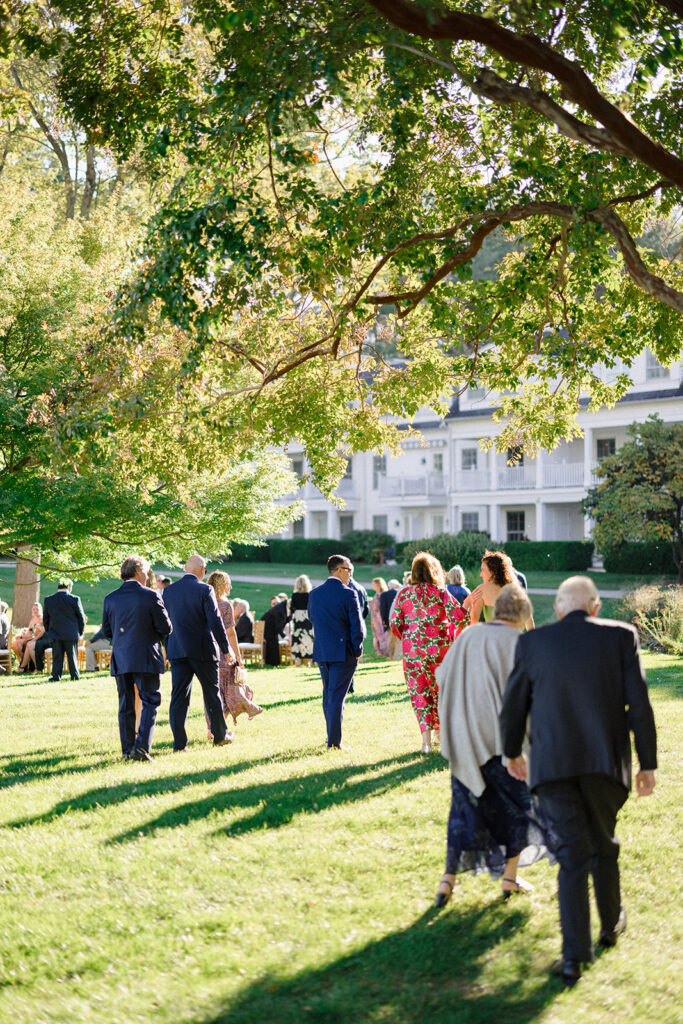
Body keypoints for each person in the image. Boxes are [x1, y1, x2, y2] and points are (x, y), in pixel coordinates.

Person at [500, 576, 658, 987]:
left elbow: (514, 703)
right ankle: (609, 926)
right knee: (604, 843)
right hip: (606, 765)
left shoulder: (534, 643)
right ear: (595, 607)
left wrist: (512, 751)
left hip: (552, 767)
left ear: (556, 609)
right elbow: (639, 704)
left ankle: (574, 959)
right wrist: (648, 764)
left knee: (571, 856)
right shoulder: (622, 637)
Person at [434, 584, 550, 906]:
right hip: (505, 744)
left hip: (466, 738)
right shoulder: (523, 644)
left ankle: (447, 880)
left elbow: (442, 677)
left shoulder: (468, 636)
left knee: (463, 810)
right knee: (517, 810)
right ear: (524, 614)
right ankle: (509, 878)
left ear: (496, 609)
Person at [91, 554, 172, 761]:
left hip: (121, 656)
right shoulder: (151, 596)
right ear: (137, 571)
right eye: (146, 571)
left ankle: (127, 751)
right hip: (145, 655)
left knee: (125, 705)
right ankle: (142, 748)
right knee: (150, 701)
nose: (147, 575)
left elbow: (107, 631)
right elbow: (165, 627)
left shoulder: (110, 598)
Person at [389, 552, 463, 754]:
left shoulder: (404, 594)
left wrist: (409, 634)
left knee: (419, 694)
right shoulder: (440, 592)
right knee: (441, 692)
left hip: (413, 652)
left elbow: (395, 624)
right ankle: (443, 736)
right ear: (434, 571)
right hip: (439, 650)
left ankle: (426, 743)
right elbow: (460, 618)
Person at [162, 554, 235, 751]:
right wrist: (226, 649)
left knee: (179, 696)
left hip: (177, 650)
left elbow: (163, 624)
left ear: (186, 568)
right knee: (212, 693)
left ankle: (179, 743)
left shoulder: (168, 592)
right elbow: (215, 621)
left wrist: (168, 647)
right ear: (203, 571)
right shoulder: (205, 589)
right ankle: (220, 736)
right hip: (203, 649)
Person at [307, 554, 364, 750]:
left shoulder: (315, 594)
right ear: (339, 570)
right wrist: (357, 650)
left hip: (323, 650)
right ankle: (334, 742)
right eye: (349, 570)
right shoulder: (349, 594)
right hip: (344, 652)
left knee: (329, 695)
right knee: (336, 696)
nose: (350, 574)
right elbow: (357, 627)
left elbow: (312, 618)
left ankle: (331, 736)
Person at [204, 571, 260, 731]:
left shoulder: (204, 602)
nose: (231, 587)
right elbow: (230, 633)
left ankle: (211, 728)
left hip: (207, 651)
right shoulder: (225, 604)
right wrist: (238, 657)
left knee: (212, 692)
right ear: (222, 585)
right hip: (224, 654)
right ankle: (219, 727)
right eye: (228, 583)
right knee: (228, 691)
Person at [464, 550, 534, 629]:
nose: (481, 574)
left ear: (492, 572)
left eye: (483, 570)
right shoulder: (515, 590)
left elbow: (474, 620)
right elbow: (529, 621)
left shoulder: (482, 590)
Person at [39, 579, 86, 681]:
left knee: (57, 657)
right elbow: (81, 618)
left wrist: (48, 631)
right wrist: (80, 632)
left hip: (55, 633)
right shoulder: (74, 599)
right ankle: (74, 676)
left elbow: (45, 618)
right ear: (69, 587)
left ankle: (56, 676)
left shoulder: (49, 600)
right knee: (72, 657)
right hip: (71, 633)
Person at [290, 574, 315, 665]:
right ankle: (308, 660)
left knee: (297, 638)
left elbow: (292, 608)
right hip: (307, 618)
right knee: (308, 638)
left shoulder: (295, 595)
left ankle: (298, 660)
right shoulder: (310, 595)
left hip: (298, 618)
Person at [16, 603, 45, 672]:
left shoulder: (42, 619)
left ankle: (25, 666)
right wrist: (21, 636)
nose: (35, 611)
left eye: (37, 609)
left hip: (40, 639)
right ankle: (25, 665)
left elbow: (42, 632)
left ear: (40, 610)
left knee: (27, 644)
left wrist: (25, 637)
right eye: (33, 609)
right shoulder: (33, 620)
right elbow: (30, 632)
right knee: (17, 643)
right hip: (32, 637)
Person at [260, 596, 290, 666]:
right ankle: (274, 663)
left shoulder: (280, 611)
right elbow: (278, 626)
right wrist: (286, 637)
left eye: (277, 603)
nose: (275, 605)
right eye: (273, 604)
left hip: (272, 630)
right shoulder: (279, 611)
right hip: (269, 630)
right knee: (273, 643)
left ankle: (272, 662)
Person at [380, 578, 402, 660]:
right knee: (399, 640)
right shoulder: (399, 594)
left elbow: (383, 609)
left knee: (392, 639)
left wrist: (384, 621)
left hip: (389, 620)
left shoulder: (384, 595)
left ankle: (392, 656)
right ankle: (397, 656)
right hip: (399, 619)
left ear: (388, 586)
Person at [369, 577, 391, 656]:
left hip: (380, 618)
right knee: (377, 633)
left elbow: (376, 606)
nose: (372, 586)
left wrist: (371, 602)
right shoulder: (377, 594)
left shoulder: (381, 594)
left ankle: (385, 650)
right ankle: (380, 650)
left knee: (382, 633)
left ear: (378, 585)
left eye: (374, 584)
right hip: (376, 618)